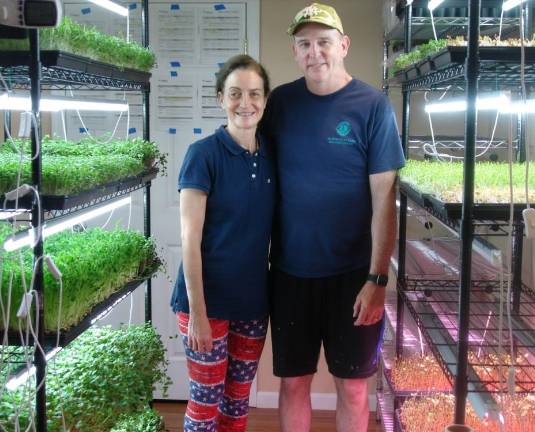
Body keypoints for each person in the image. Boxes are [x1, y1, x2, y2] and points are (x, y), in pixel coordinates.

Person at [260, 3, 405, 432]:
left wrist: (378, 281)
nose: (315, 52)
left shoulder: (373, 106)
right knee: (293, 384)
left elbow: (385, 200)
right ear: (294, 50)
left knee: (355, 387)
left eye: (324, 42)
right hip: (289, 274)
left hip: (354, 278)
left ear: (343, 45)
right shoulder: (279, 104)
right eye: (304, 43)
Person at [171, 54, 274, 432]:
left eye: (253, 94)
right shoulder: (203, 155)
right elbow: (189, 237)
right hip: (205, 304)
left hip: (251, 304)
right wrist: (198, 311)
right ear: (220, 99)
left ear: (265, 101)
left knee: (237, 401)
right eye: (235, 94)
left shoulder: (271, 157)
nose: (244, 103)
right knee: (206, 400)